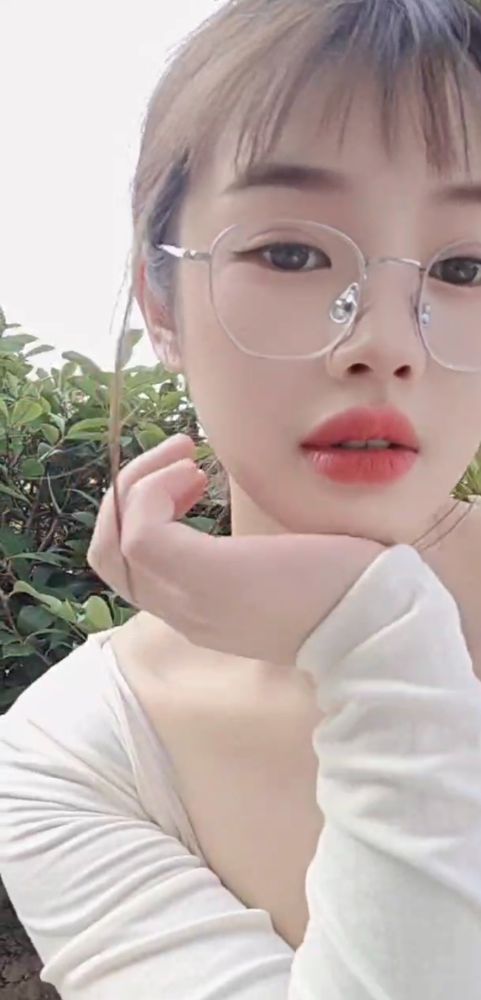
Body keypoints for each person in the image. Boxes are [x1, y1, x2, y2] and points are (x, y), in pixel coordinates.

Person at [2, 0, 481, 995]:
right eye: (291, 254)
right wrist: (382, 639)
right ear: (162, 304)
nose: (383, 342)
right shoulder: (70, 754)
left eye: (464, 266)